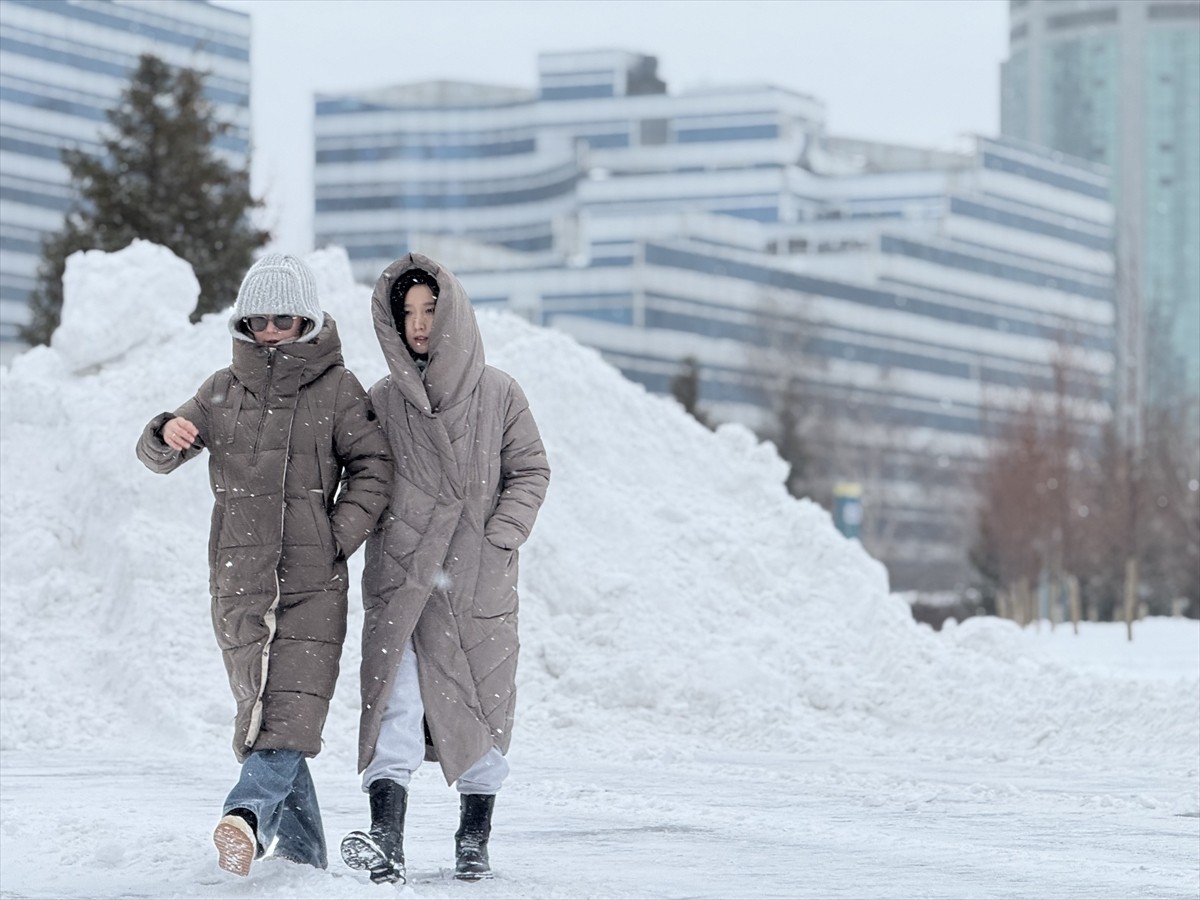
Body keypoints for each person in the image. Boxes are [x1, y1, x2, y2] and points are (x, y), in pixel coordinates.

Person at [135, 254, 393, 877]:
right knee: (263, 715)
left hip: (311, 581)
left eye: (284, 318)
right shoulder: (223, 389)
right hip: (239, 581)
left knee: (288, 714)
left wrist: (334, 536)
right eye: (259, 319)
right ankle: (304, 867)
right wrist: (163, 431)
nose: (270, 331)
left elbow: (374, 468)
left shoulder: (338, 388)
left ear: (306, 319)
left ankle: (246, 815)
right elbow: (159, 454)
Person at [340, 253, 550, 885]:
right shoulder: (382, 400)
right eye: (407, 313)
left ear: (453, 311)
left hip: (476, 580)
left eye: (431, 309)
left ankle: (473, 836)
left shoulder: (500, 392)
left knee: (481, 707)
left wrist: (499, 537)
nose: (420, 324)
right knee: (394, 705)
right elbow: (364, 477)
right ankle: (386, 841)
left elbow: (531, 471)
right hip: (404, 581)